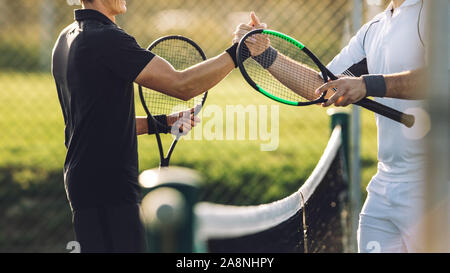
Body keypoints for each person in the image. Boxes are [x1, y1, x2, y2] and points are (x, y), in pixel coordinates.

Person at [236, 0, 428, 252]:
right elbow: (323, 89)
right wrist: (264, 53)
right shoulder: (374, 28)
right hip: (385, 187)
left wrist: (368, 85)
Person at [53, 0, 244, 253]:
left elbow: (95, 125)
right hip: (109, 185)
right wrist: (239, 52)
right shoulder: (105, 39)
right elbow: (183, 85)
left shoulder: (66, 38)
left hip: (85, 182)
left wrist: (163, 123)